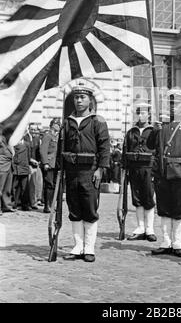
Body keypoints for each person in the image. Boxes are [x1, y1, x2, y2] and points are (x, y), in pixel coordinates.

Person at [57, 81, 110, 262]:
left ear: (90, 100)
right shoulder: (67, 122)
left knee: (89, 208)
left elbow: (104, 147)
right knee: (74, 208)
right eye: (76, 98)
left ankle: (89, 248)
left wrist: (100, 170)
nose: (79, 101)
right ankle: (78, 246)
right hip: (71, 171)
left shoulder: (97, 121)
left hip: (90, 171)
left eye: (82, 97)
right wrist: (60, 169)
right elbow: (61, 146)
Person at [147, 89, 181, 257]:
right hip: (162, 172)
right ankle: (166, 241)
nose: (172, 107)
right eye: (170, 103)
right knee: (163, 208)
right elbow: (150, 146)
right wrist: (154, 130)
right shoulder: (161, 124)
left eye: (176, 103)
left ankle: (177, 242)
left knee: (178, 208)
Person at [122, 102, 157, 242]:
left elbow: (158, 150)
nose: (141, 116)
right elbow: (125, 150)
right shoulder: (131, 132)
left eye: (143, 113)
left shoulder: (154, 131)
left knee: (148, 197)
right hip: (134, 168)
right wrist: (124, 168)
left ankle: (150, 229)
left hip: (148, 168)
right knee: (136, 198)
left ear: (148, 114)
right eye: (138, 113)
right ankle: (140, 227)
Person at [40, 119, 60, 213]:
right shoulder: (47, 136)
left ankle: (52, 204)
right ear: (52, 125)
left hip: (56, 164)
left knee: (54, 185)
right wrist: (45, 163)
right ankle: (47, 206)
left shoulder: (57, 136)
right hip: (49, 163)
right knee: (49, 185)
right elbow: (43, 150)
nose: (59, 126)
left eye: (59, 124)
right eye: (57, 124)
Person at [12, 135, 31, 211]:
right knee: (14, 187)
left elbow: (28, 156)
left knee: (24, 187)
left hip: (24, 168)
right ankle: (14, 203)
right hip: (16, 168)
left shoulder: (27, 144)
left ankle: (24, 205)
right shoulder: (13, 144)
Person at [0, 130, 15, 214]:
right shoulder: (1, 138)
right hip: (2, 164)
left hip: (9, 164)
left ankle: (6, 206)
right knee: (0, 188)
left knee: (7, 188)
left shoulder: (9, 138)